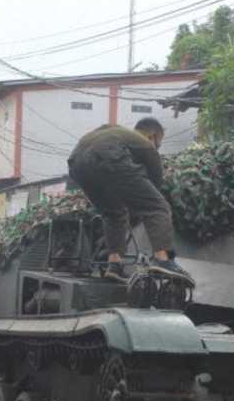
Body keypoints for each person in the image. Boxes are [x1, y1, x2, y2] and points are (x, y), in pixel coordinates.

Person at [67, 118, 189, 283]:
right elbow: (154, 188)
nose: (156, 148)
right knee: (158, 207)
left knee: (113, 212)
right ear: (152, 137)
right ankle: (164, 260)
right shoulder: (146, 145)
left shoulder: (117, 132)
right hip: (109, 156)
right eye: (158, 145)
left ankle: (114, 265)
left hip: (77, 163)